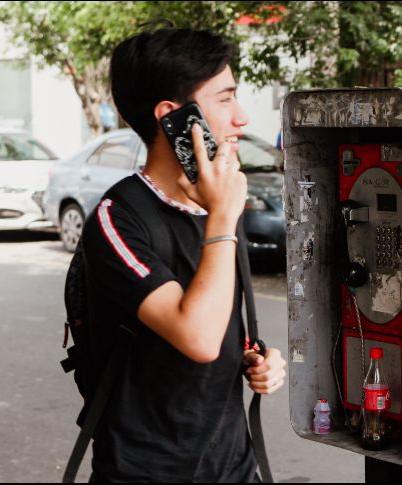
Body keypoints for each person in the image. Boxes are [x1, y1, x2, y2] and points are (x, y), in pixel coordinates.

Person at [80, 28, 287, 481]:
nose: (242, 118)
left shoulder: (214, 208)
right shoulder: (119, 219)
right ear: (174, 117)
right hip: (145, 471)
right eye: (226, 99)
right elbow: (197, 337)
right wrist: (222, 219)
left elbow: (218, 328)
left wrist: (256, 355)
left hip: (234, 465)